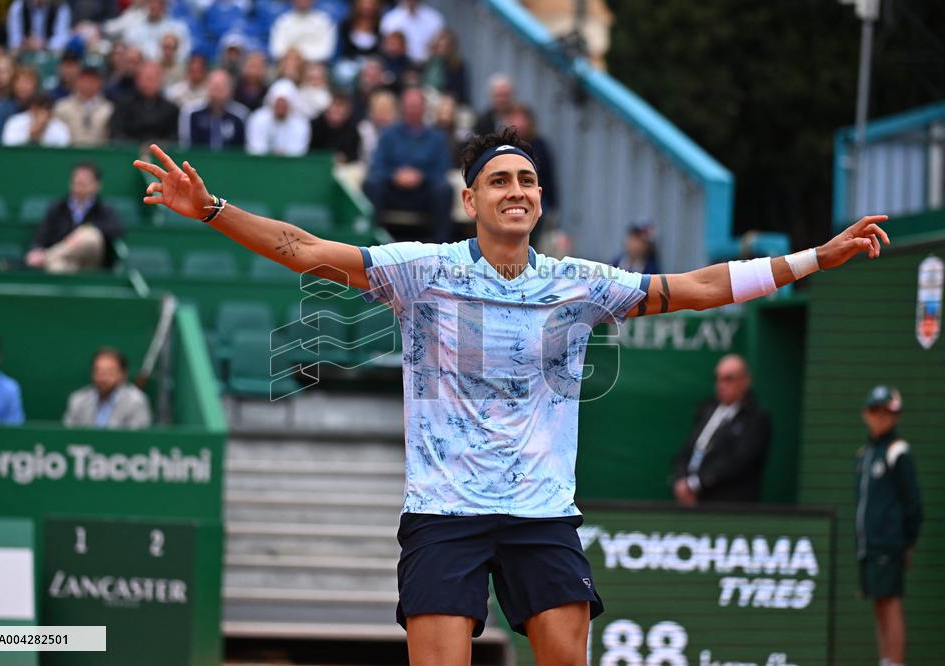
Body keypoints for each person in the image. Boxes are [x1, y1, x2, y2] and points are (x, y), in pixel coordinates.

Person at [134, 127, 890, 666]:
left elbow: (696, 286)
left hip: (542, 514)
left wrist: (814, 259)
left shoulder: (581, 282)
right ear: (471, 199)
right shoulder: (418, 269)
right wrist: (210, 209)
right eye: (501, 179)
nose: (517, 190)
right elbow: (302, 249)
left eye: (528, 180)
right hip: (444, 514)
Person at [856, 385, 923, 666]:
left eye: (888, 413)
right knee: (879, 602)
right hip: (868, 543)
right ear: (866, 414)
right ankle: (885, 659)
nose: (882, 418)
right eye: (876, 412)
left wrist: (907, 541)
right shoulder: (864, 454)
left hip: (890, 543)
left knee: (891, 601)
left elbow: (913, 503)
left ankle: (895, 662)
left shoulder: (898, 451)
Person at [671, 354, 771, 505]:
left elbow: (738, 462)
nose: (721, 384)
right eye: (717, 378)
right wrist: (681, 481)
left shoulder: (756, 418)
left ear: (745, 381)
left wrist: (696, 484)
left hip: (729, 508)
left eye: (728, 378)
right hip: (694, 503)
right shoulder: (707, 409)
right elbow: (688, 450)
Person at [363, 86, 451, 242]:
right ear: (402, 107)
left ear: (424, 108)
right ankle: (370, 240)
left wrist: (421, 176)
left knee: (444, 189)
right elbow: (377, 165)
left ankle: (441, 246)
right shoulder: (388, 134)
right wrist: (395, 175)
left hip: (423, 193)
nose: (413, 110)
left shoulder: (437, 137)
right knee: (371, 184)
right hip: (393, 191)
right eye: (409, 106)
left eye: (416, 106)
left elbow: (442, 169)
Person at [24, 161, 123, 272]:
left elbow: (116, 230)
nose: (79, 180)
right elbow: (42, 235)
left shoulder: (105, 209)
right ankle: (50, 259)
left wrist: (82, 233)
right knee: (56, 267)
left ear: (97, 184)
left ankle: (47, 257)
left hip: (92, 264)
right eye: (77, 177)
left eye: (85, 178)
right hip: (66, 263)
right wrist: (36, 250)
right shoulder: (57, 208)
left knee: (90, 235)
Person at [63, 347, 152, 429]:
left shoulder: (136, 401)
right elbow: (68, 434)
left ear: (123, 374)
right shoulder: (78, 399)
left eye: (109, 372)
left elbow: (137, 438)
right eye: (99, 371)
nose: (103, 378)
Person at [109, 60, 178, 144]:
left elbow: (174, 138)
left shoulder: (171, 109)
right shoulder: (123, 105)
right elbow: (117, 134)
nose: (149, 83)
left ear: (160, 81)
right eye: (145, 79)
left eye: (152, 79)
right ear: (137, 80)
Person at [179, 69, 248, 151]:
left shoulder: (241, 114)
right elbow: (185, 145)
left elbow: (245, 149)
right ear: (207, 87)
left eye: (222, 87)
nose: (218, 91)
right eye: (215, 86)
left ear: (231, 90)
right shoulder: (190, 112)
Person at [245, 79, 311, 157]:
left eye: (284, 103)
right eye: (278, 102)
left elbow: (298, 151)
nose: (281, 106)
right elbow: (255, 149)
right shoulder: (257, 119)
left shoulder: (301, 123)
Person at [53, 64, 113, 146]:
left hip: (100, 154)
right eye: (84, 80)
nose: (87, 84)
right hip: (69, 154)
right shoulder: (62, 107)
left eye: (92, 80)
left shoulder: (109, 108)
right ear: (76, 81)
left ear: (99, 82)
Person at [269, 0, 336, 64]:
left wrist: (299, 55)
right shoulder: (282, 21)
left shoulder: (324, 21)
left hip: (314, 64)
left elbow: (326, 52)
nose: (302, 1)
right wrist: (293, 56)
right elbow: (276, 50)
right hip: (288, 63)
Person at [1, 92, 70, 146]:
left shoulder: (60, 127)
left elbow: (61, 150)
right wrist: (31, 136)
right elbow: (9, 149)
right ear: (31, 109)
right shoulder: (15, 122)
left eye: (46, 109)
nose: (42, 114)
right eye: (38, 109)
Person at [309, 93, 360, 164]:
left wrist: (345, 158)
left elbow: (354, 156)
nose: (336, 113)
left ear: (347, 113)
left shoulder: (353, 129)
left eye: (339, 110)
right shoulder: (315, 126)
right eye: (334, 109)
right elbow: (310, 152)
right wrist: (328, 157)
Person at [6, 0, 72, 52]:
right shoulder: (18, 6)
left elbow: (62, 39)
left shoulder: (60, 7)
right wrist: (27, 44)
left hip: (50, 55)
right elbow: (13, 41)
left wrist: (43, 44)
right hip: (24, 54)